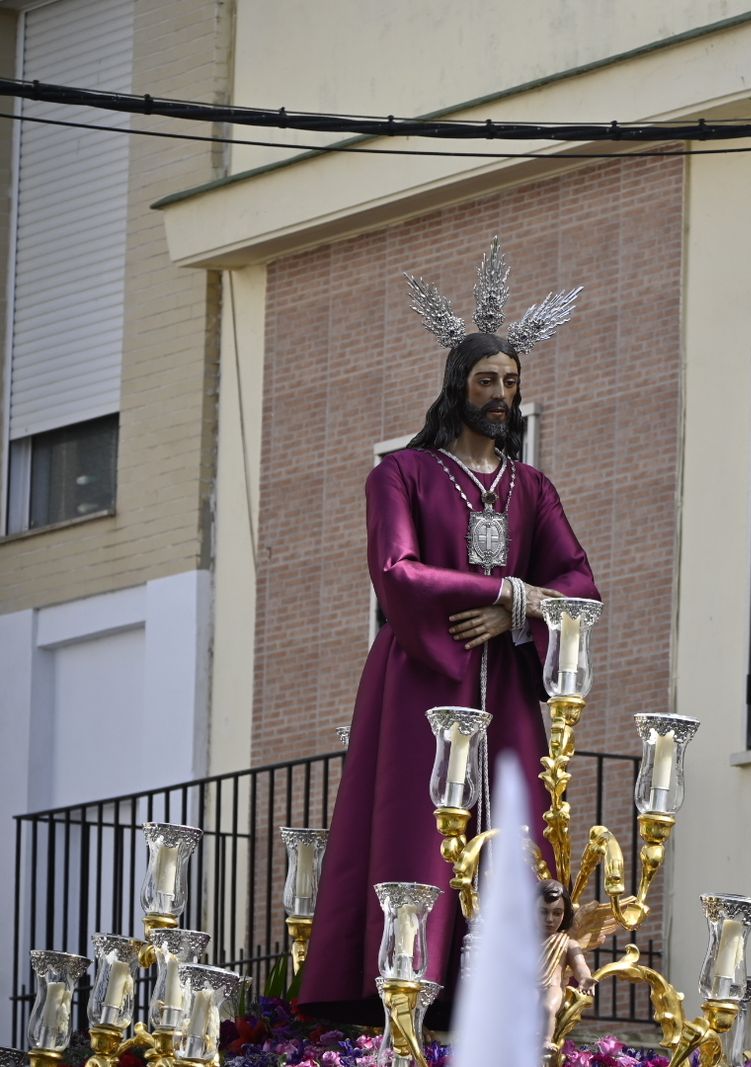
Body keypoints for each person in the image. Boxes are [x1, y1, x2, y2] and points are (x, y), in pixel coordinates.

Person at [299, 240, 600, 1025]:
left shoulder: (533, 487)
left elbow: (579, 584)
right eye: (486, 380)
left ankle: (506, 984)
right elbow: (397, 570)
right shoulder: (401, 474)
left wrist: (516, 608)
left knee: (516, 827)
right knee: (416, 829)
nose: (499, 393)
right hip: (423, 680)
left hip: (509, 688)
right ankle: (407, 988)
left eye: (510, 381)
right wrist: (507, 588)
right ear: (456, 386)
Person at [539, 879, 597, 1055]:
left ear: (565, 914)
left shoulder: (568, 943)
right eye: (543, 912)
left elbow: (580, 965)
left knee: (547, 1008)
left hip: (552, 987)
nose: (550, 919)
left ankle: (545, 1041)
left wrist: (585, 978)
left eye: (557, 913)